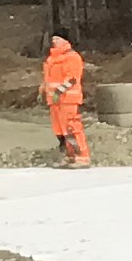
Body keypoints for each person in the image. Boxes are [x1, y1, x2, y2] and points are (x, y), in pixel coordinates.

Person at [41, 31, 90, 168]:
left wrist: (59, 91)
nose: (54, 41)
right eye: (53, 38)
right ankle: (70, 155)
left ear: (65, 40)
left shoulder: (72, 57)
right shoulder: (52, 59)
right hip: (55, 101)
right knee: (60, 131)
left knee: (71, 128)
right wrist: (43, 90)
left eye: (57, 38)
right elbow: (48, 78)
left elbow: (72, 78)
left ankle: (82, 156)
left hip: (68, 99)